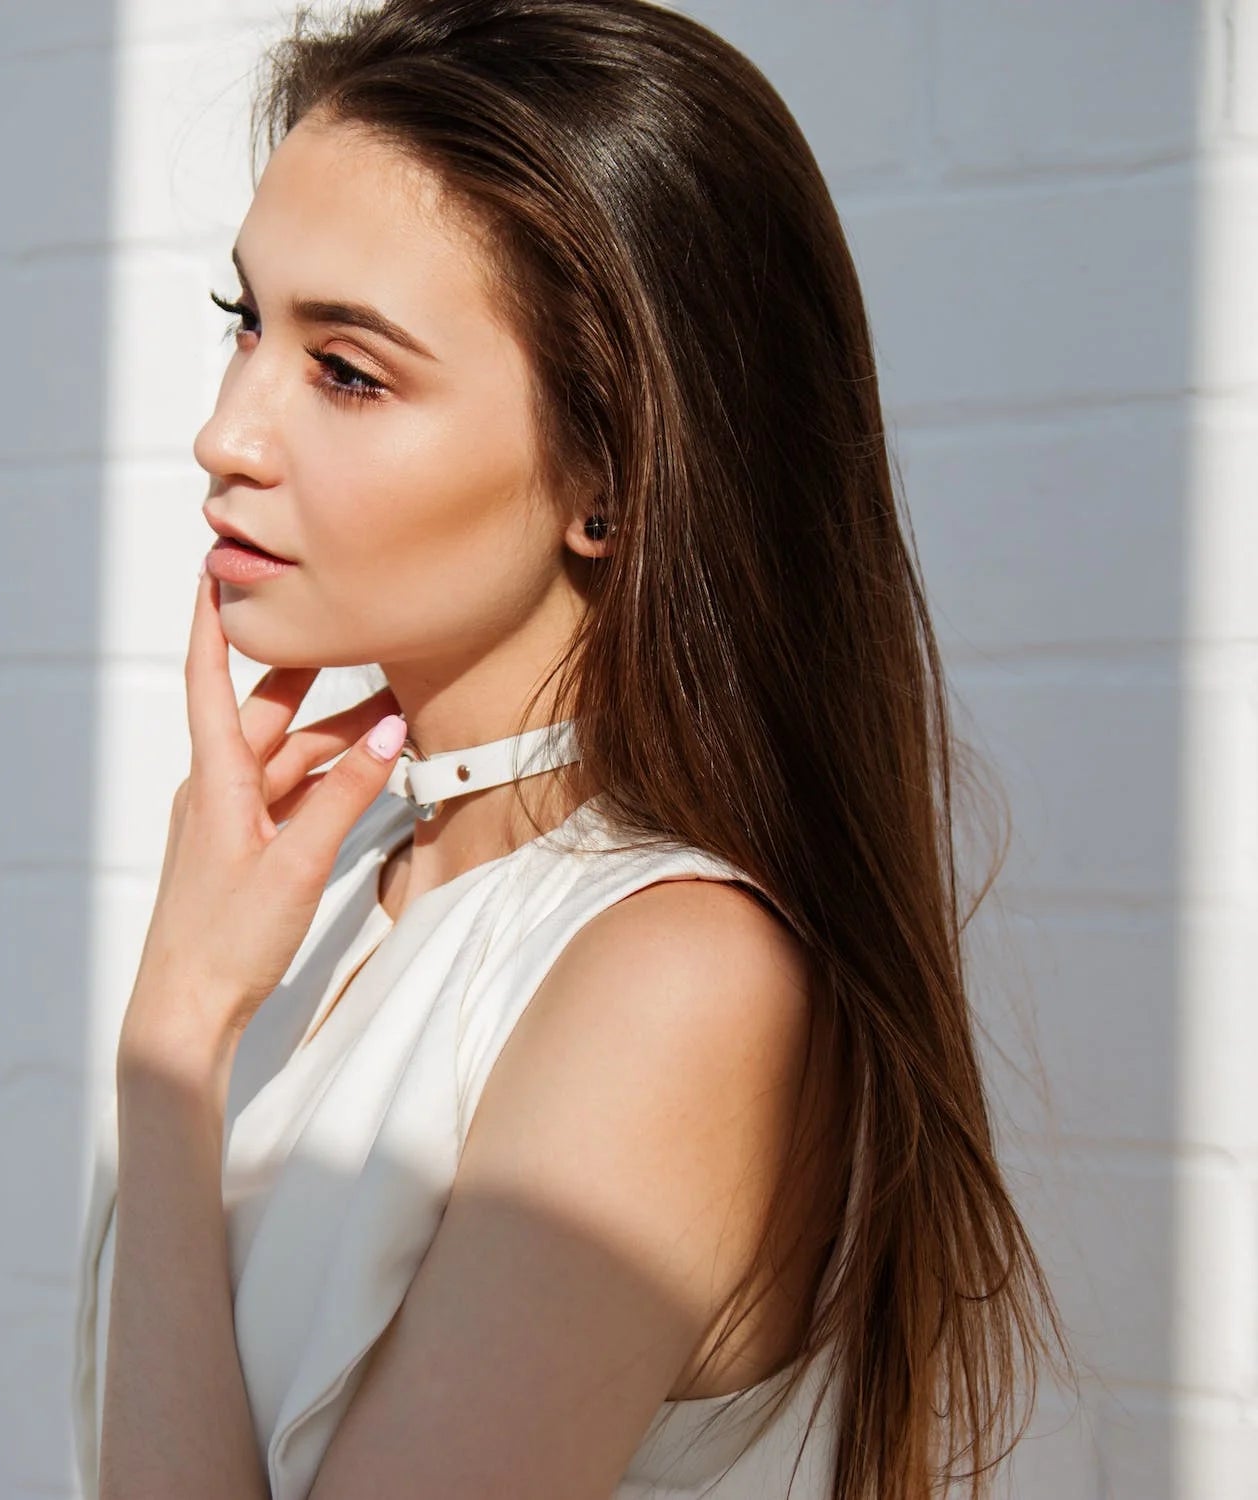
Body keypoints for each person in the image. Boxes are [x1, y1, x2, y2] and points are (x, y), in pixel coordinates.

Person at [68, 2, 1078, 1498]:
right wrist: (187, 1014)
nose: (229, 432)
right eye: (247, 324)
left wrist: (172, 1041)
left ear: (605, 473)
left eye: (346, 369)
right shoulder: (346, 886)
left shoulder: (672, 979)